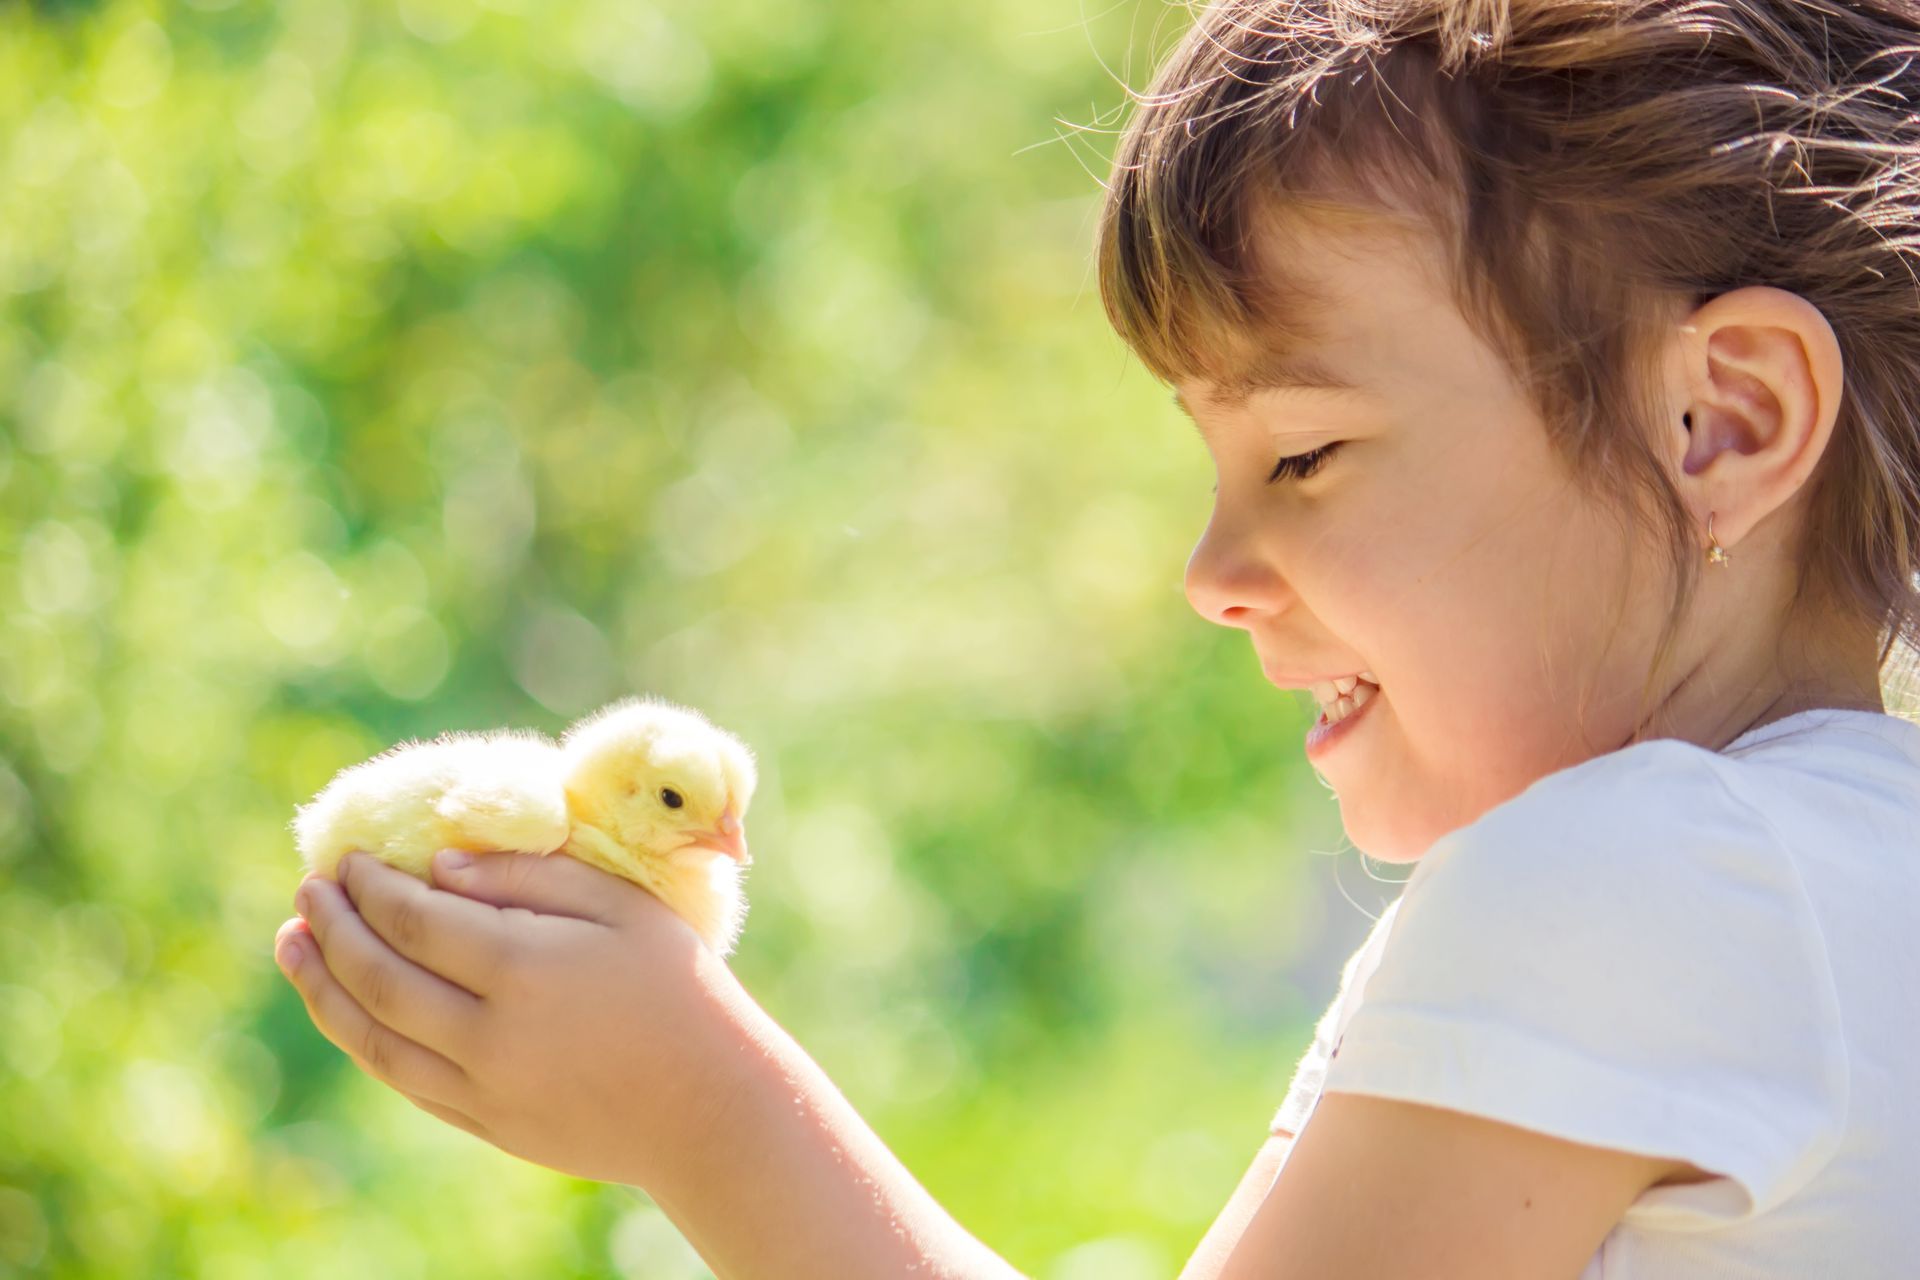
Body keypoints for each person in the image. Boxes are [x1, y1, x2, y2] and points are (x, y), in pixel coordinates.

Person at [272, 0, 1920, 1274]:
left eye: (1304, 456)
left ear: (1721, 421)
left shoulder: (1636, 874)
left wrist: (704, 1111)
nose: (1213, 572)